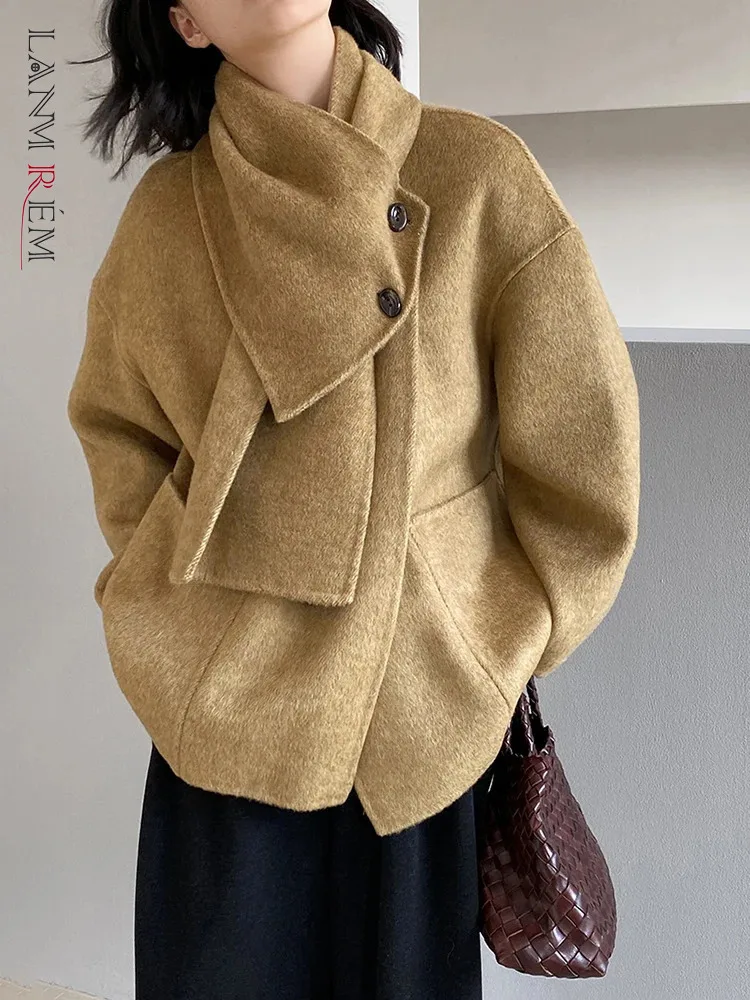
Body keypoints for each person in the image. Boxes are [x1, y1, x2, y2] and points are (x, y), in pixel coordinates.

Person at [66, 2, 641, 998]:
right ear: (187, 23)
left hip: (414, 717)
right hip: (226, 716)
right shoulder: (169, 215)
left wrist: (489, 631)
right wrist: (171, 605)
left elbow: (581, 454)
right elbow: (121, 434)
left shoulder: (473, 174)